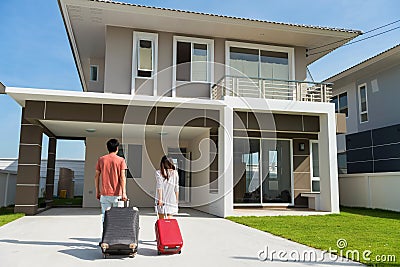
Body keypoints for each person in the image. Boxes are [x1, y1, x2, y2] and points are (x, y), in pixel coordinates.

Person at [95, 138, 127, 221]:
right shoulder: (121, 160)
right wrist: (124, 193)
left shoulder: (101, 160)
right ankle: (117, 233)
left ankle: (106, 233)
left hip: (104, 193)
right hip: (117, 194)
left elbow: (96, 176)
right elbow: (122, 177)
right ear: (117, 148)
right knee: (118, 217)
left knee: (105, 216)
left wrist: (97, 191)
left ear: (107, 148)